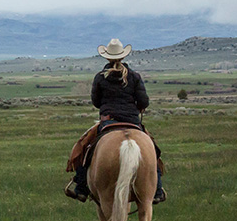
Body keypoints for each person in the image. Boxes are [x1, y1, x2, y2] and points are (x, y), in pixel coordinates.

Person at [65, 38, 166, 204]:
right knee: (153, 150)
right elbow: (144, 102)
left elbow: (96, 102)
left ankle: (81, 187)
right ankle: (156, 189)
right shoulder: (134, 76)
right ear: (123, 57)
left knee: (85, 147)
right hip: (132, 122)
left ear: (107, 57)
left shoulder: (100, 77)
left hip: (108, 122)